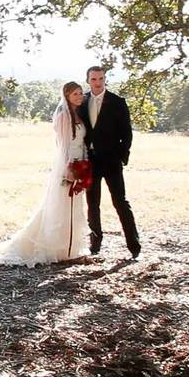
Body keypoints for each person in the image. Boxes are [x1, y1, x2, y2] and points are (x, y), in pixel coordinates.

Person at [0, 82, 91, 268]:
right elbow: (63, 146)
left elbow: (81, 142)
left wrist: (84, 165)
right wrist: (69, 168)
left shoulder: (78, 114)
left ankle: (70, 249)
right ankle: (53, 247)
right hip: (68, 165)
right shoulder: (63, 116)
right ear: (67, 96)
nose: (79, 97)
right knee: (60, 206)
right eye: (74, 94)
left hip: (80, 163)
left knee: (74, 207)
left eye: (80, 93)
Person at [77, 66, 141, 259]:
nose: (98, 82)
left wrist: (121, 157)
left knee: (120, 202)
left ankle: (134, 245)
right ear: (88, 80)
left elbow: (127, 134)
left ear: (105, 79)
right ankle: (95, 244)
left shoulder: (117, 102)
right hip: (91, 161)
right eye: (94, 79)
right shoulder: (82, 102)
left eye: (101, 78)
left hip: (112, 162)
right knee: (92, 204)